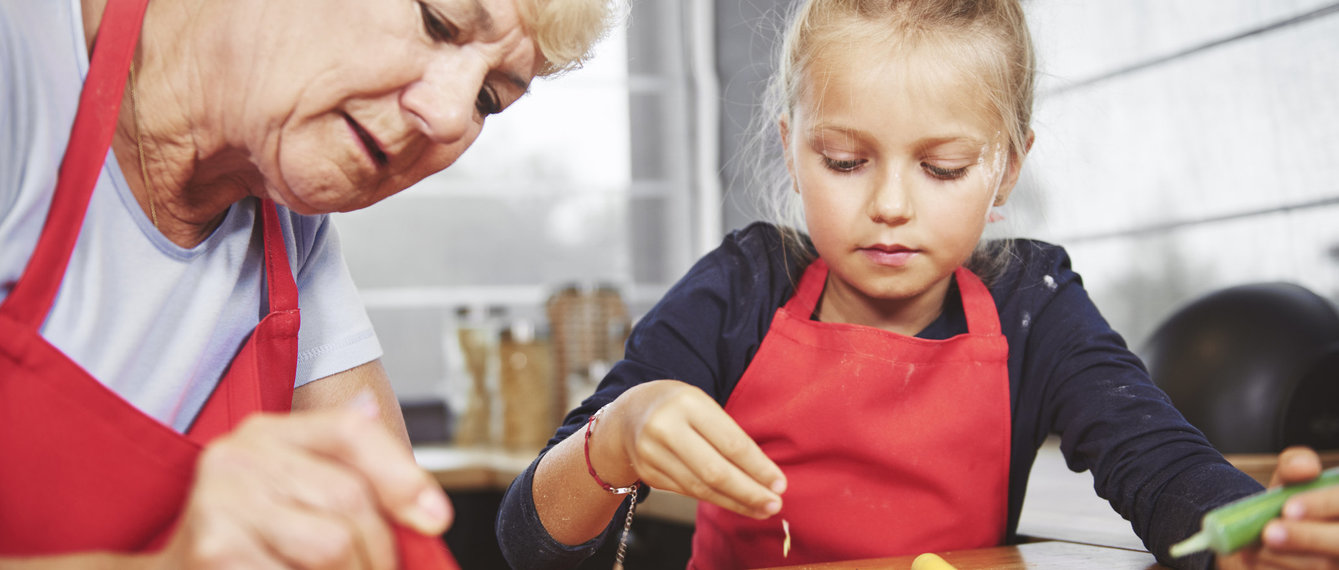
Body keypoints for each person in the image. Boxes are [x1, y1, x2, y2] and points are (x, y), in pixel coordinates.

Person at [494, 1, 1339, 569]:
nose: (890, 205)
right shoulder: (740, 291)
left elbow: (1158, 467)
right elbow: (529, 542)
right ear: (791, 149)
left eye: (941, 167)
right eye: (845, 161)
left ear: (1005, 170)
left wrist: (1254, 533)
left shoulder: (1033, 303)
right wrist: (614, 438)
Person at [0, 0, 612, 567]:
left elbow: (393, 544)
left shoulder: (293, 241)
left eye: (487, 98)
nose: (450, 117)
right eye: (437, 20)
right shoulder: (19, 70)